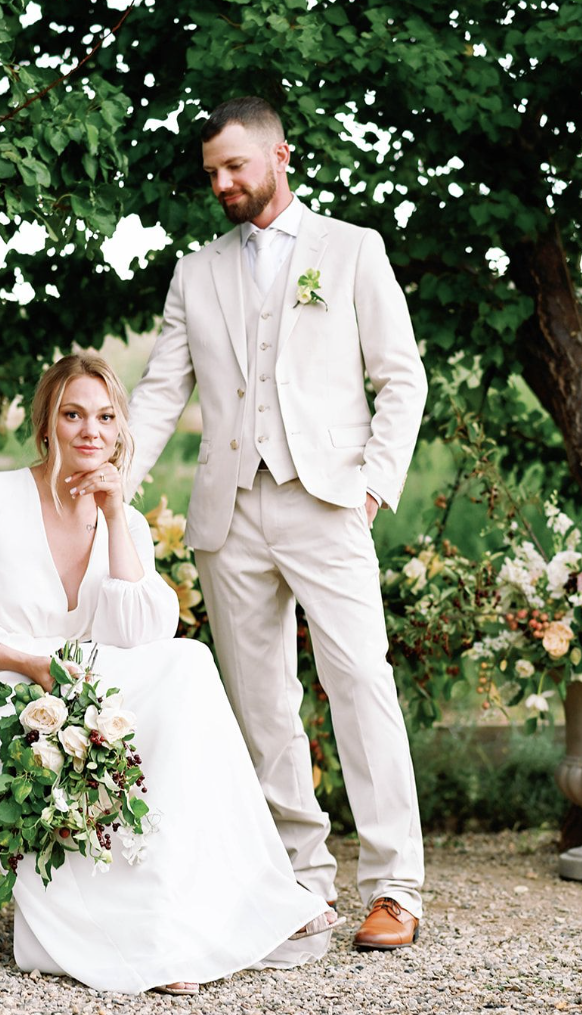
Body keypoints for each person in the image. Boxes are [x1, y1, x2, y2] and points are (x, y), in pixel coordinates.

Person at [0, 352, 343, 996]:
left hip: (79, 686)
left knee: (187, 667)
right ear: (47, 424)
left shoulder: (126, 522)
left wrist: (114, 516)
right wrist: (30, 663)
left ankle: (211, 910)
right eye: (73, 413)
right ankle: (150, 938)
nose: (90, 430)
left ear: (121, 430)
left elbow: (139, 636)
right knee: (177, 680)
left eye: (106, 417)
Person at [125, 97, 428, 950]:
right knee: (262, 706)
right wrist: (115, 482)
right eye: (212, 173)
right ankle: (301, 884)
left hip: (327, 499)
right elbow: (160, 394)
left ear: (279, 156)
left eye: (235, 167)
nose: (222, 184)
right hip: (229, 510)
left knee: (361, 685)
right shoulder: (196, 271)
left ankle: (396, 887)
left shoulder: (353, 250)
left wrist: (371, 487)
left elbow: (401, 379)